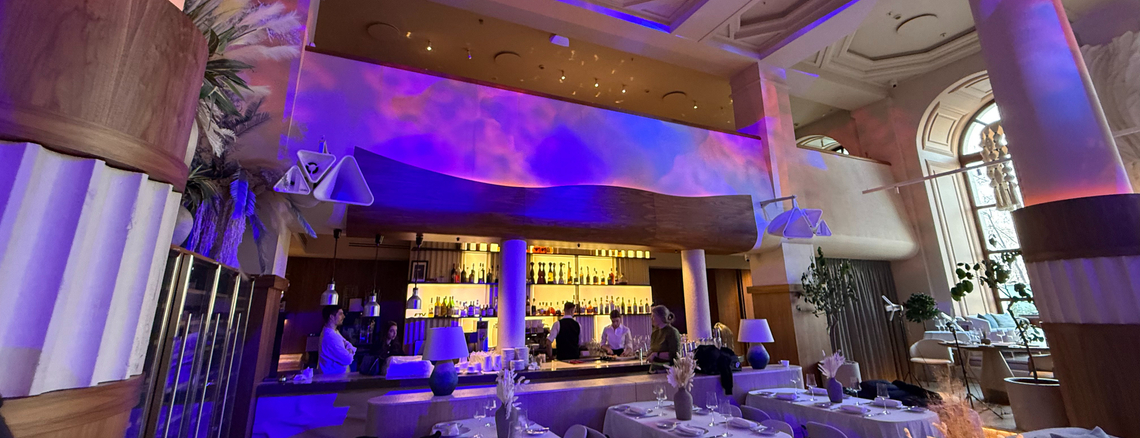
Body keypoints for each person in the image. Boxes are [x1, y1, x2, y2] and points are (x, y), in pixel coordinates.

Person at [318, 305, 356, 375]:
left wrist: (348, 349)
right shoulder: (330, 337)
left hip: (337, 378)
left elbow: (349, 344)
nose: (343, 316)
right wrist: (349, 350)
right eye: (340, 314)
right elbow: (348, 359)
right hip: (333, 379)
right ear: (331, 317)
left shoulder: (334, 332)